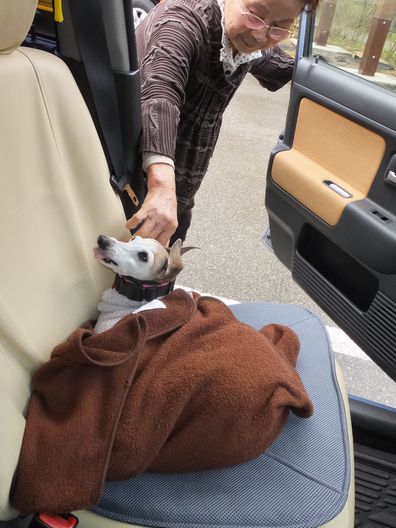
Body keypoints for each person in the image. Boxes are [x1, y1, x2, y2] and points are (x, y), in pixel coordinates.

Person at [127, 0, 318, 246]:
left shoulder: (244, 40)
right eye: (255, 14)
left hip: (179, 194)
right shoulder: (183, 21)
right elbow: (161, 93)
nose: (261, 34)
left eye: (280, 27)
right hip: (137, 189)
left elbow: (273, 62)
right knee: (116, 274)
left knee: (160, 275)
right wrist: (161, 186)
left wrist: (320, 80)